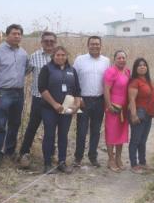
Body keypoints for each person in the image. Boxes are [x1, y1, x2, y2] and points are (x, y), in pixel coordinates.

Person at [0, 24, 29, 167]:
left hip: (18, 92)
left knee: (15, 124)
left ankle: (10, 151)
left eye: (19, 34)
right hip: (3, 92)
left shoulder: (23, 53)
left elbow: (26, 70)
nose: (17, 36)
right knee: (0, 124)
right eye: (14, 34)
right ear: (7, 35)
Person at [38, 46, 81, 174]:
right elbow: (42, 88)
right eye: (58, 55)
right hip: (49, 109)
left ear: (66, 56)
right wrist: (54, 104)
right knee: (49, 135)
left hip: (66, 108)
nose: (61, 57)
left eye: (63, 55)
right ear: (53, 56)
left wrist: (77, 104)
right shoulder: (47, 69)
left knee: (63, 135)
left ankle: (62, 162)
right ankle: (47, 163)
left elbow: (77, 90)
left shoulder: (72, 70)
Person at [18, 31, 56, 169]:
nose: (49, 43)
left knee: (51, 128)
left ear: (55, 43)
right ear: (42, 42)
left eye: (52, 41)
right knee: (32, 126)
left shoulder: (59, 56)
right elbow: (24, 72)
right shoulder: (34, 56)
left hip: (54, 100)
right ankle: (24, 152)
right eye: (46, 41)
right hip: (38, 98)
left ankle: (51, 154)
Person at [73, 36, 111, 168]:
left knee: (96, 130)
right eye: (92, 44)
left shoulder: (106, 61)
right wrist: (78, 98)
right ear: (87, 45)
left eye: (97, 44)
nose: (95, 46)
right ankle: (78, 157)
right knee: (82, 131)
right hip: (83, 100)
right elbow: (74, 80)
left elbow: (108, 81)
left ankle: (93, 156)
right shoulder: (79, 60)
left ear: (101, 45)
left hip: (99, 100)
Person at [128, 58, 154, 174]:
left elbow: (152, 97)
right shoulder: (135, 82)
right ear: (135, 68)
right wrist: (134, 115)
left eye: (144, 65)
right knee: (135, 140)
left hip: (148, 114)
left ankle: (142, 162)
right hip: (139, 113)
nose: (142, 67)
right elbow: (132, 99)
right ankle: (134, 165)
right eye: (139, 65)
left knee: (143, 140)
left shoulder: (149, 81)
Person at [103, 50, 130, 172]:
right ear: (114, 59)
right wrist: (109, 106)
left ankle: (119, 158)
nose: (121, 60)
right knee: (111, 133)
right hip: (113, 107)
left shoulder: (127, 71)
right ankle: (111, 159)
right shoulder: (110, 72)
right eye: (119, 58)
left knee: (121, 133)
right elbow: (106, 89)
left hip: (124, 109)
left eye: (123, 58)